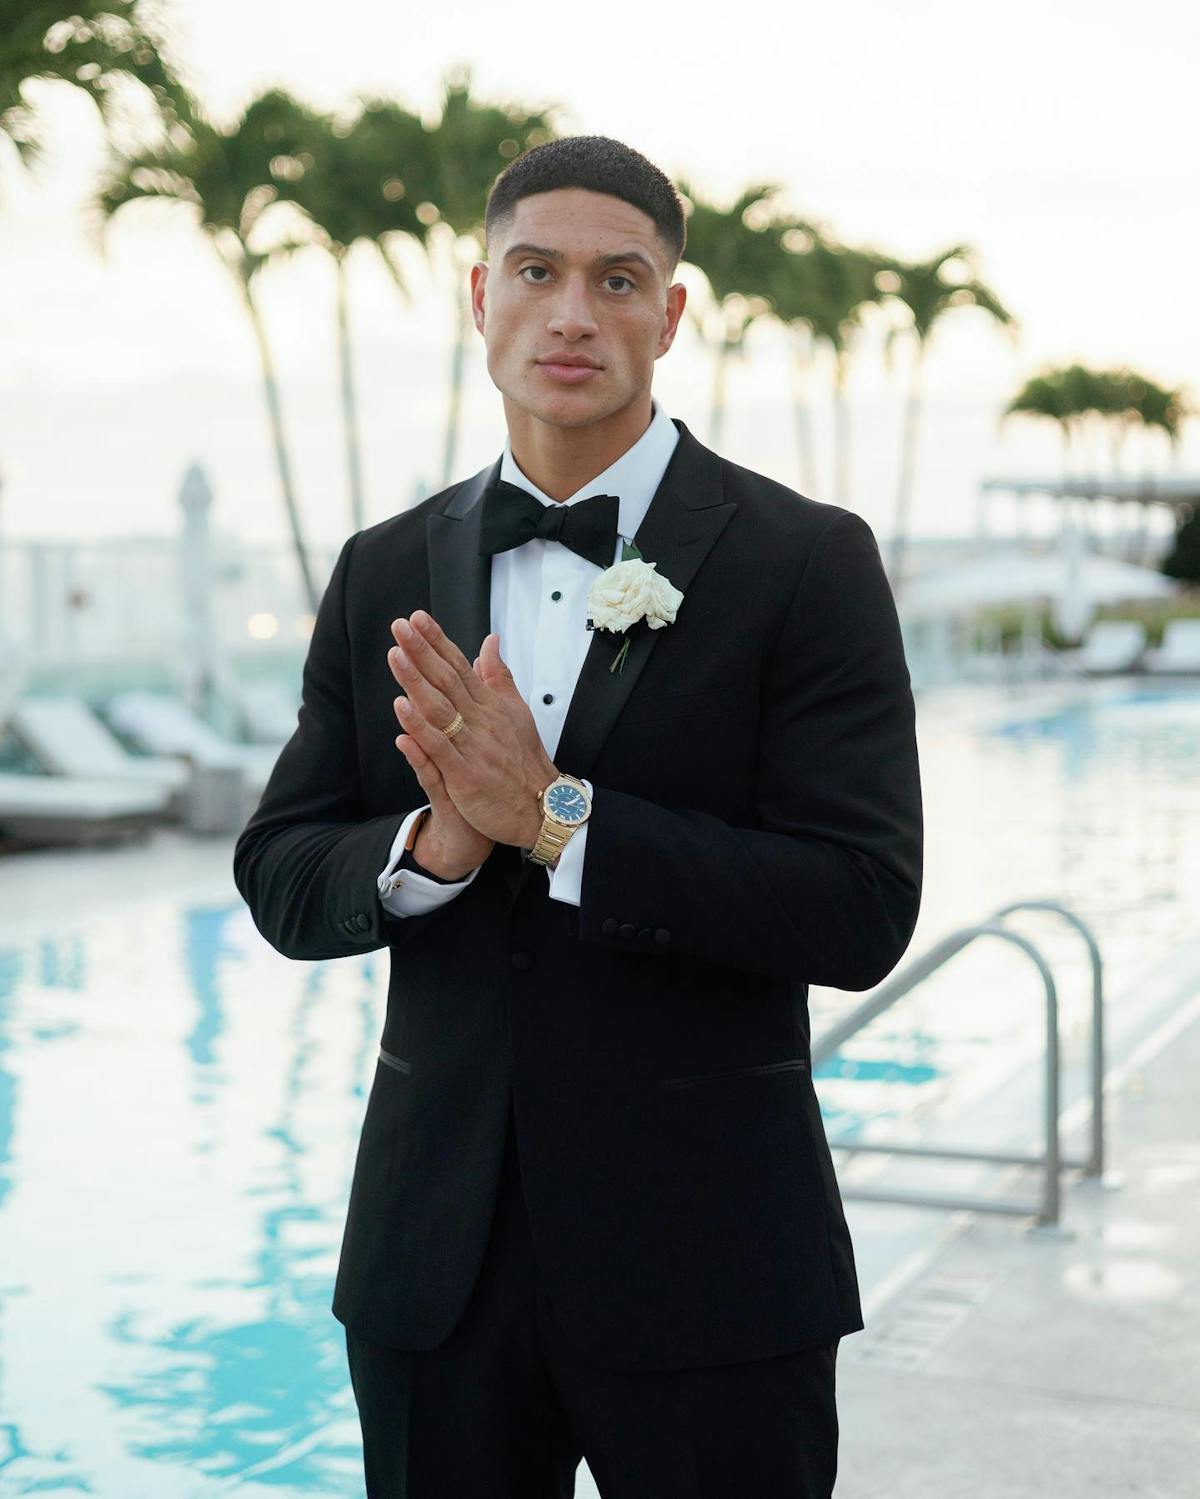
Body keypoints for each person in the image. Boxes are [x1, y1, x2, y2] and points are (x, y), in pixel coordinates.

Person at [233, 134, 923, 1498]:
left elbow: (860, 905)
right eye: (536, 272)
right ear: (476, 296)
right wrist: (435, 846)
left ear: (670, 316)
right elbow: (278, 869)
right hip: (433, 1269)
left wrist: (554, 818)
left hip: (717, 1266)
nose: (572, 313)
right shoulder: (382, 567)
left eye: (619, 281)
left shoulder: (807, 561)